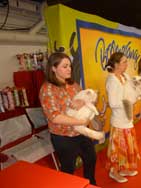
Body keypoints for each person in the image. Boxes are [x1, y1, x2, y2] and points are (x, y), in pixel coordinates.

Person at [39, 52, 97, 185]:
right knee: (68, 168)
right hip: (63, 136)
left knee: (91, 159)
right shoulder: (47, 89)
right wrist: (81, 121)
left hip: (81, 132)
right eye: (65, 66)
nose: (69, 69)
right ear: (53, 68)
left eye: (69, 66)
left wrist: (83, 102)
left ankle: (91, 184)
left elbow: (86, 99)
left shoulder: (73, 85)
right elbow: (55, 117)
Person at [105, 52, 140, 183]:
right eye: (124, 62)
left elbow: (132, 91)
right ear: (116, 65)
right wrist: (129, 101)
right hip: (119, 121)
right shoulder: (112, 80)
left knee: (128, 147)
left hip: (127, 119)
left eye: (126, 61)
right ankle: (113, 171)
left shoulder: (125, 76)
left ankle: (123, 168)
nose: (127, 64)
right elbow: (113, 103)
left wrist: (136, 93)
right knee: (118, 148)